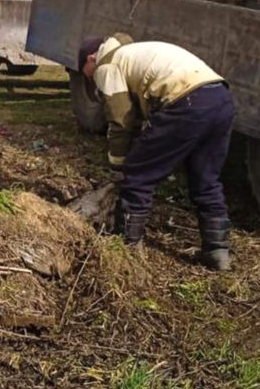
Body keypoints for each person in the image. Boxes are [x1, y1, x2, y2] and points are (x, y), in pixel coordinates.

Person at [78, 33, 235, 271]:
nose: (89, 78)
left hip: (185, 101)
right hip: (220, 97)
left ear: (91, 58)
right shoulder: (134, 53)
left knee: (138, 174)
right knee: (206, 179)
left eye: (86, 72)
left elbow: (120, 122)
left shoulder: (106, 66)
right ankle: (217, 252)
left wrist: (119, 167)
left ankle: (126, 249)